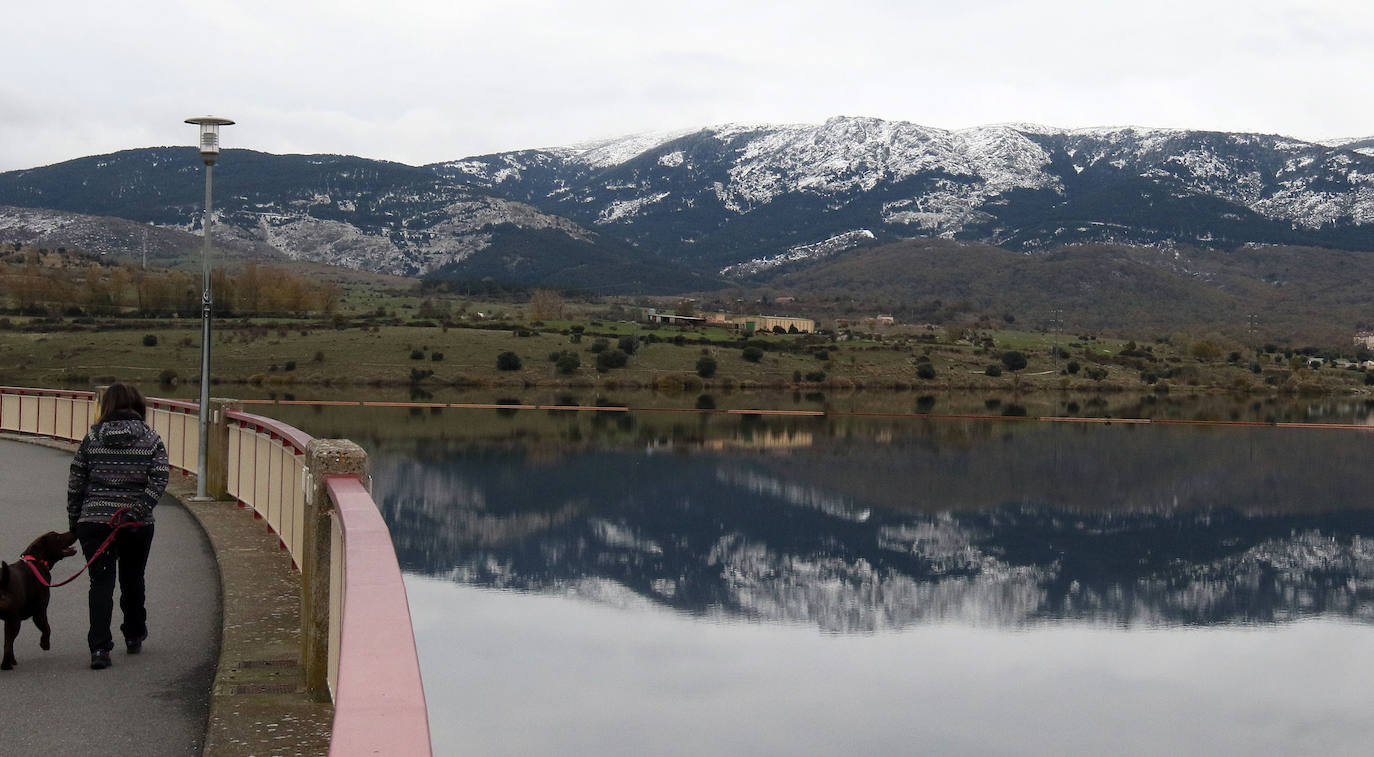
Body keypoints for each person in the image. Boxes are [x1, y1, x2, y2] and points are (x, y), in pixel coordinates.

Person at [67, 382, 169, 670]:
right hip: (135, 524)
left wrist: (76, 523)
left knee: (100, 583)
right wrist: (137, 510)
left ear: (107, 406)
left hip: (94, 521)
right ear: (138, 404)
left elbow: (76, 482)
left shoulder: (91, 438)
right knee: (133, 578)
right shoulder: (151, 438)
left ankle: (99, 649)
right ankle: (134, 634)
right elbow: (160, 478)